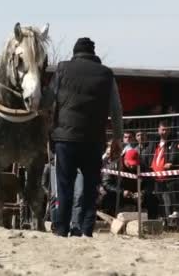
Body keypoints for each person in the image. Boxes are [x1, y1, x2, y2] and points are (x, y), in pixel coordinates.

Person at [50, 37, 123, 237]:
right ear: (93, 54)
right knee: (91, 187)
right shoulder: (107, 74)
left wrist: (51, 132)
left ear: (74, 53)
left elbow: (51, 101)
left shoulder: (62, 69)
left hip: (65, 139)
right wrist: (118, 138)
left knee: (64, 186)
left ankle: (62, 228)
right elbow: (116, 109)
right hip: (93, 140)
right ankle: (86, 228)